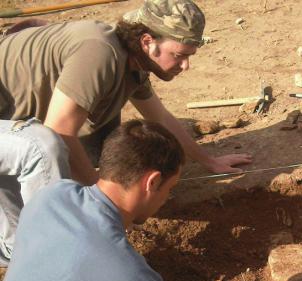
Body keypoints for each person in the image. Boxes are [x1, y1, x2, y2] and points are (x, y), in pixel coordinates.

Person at [0, 0, 252, 266]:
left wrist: (208, 160)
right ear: (147, 41)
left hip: (13, 125)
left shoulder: (132, 65)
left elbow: (161, 117)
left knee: (102, 142)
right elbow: (59, 131)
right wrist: (104, 207)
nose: (185, 65)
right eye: (179, 55)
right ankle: (34, 250)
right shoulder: (100, 53)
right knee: (44, 151)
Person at [0, 119, 265, 281]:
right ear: (152, 182)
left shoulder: (50, 197)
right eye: (169, 189)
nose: (166, 198)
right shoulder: (127, 276)